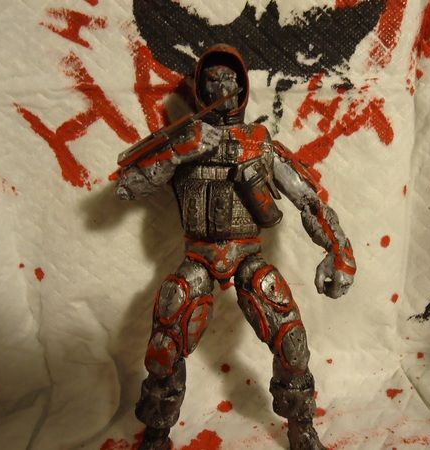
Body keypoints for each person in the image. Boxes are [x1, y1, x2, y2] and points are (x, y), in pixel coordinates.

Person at [115, 44, 356, 450]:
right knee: (164, 346)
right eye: (212, 78)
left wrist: (339, 252)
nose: (222, 86)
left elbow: (308, 199)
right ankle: (156, 434)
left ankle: (301, 426)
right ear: (199, 87)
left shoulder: (259, 141)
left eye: (229, 78)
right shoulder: (184, 139)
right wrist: (177, 152)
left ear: (242, 86)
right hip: (199, 257)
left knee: (292, 340)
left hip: (248, 256)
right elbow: (128, 186)